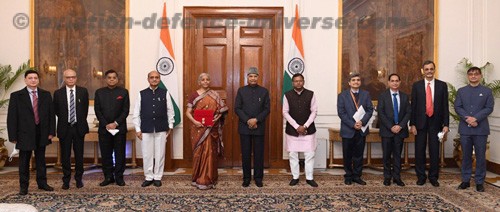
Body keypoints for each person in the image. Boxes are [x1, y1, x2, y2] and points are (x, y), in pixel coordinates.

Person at [7, 70, 56, 195]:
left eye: (35, 78)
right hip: (24, 134)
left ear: (38, 80)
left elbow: (51, 115)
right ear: (25, 80)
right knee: (24, 161)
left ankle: (42, 183)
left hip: (42, 132)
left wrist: (51, 132)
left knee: (41, 160)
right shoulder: (16, 96)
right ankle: (23, 186)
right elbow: (12, 117)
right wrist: (13, 136)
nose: (33, 80)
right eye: (30, 78)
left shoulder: (46, 95)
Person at [185, 73, 228, 190]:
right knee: (198, 153)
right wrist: (195, 122)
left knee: (209, 153)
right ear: (199, 82)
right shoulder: (194, 95)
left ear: (209, 81)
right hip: (197, 128)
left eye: (207, 79)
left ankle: (209, 179)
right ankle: (197, 178)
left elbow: (222, 110)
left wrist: (216, 119)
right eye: (203, 80)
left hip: (210, 128)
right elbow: (188, 112)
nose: (205, 81)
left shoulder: (215, 95)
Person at [410, 60, 449, 187]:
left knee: (434, 150)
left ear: (434, 70)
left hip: (436, 123)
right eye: (426, 69)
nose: (429, 71)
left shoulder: (442, 85)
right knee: (419, 150)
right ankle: (421, 176)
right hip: (420, 122)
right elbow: (413, 106)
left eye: (431, 69)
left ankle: (433, 177)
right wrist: (412, 124)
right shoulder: (416, 85)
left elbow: (445, 106)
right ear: (423, 71)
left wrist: (446, 124)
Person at [455, 67, 494, 192]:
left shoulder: (487, 91)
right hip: (465, 129)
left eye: (476, 74)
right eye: (471, 74)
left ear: (480, 76)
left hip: (481, 129)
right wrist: (468, 119)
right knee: (465, 156)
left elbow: (489, 108)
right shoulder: (461, 91)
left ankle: (479, 182)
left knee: (480, 156)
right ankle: (465, 180)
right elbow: (458, 107)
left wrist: (476, 118)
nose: (473, 76)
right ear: (468, 76)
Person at [133, 71, 174, 188]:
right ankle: (148, 176)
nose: (154, 79)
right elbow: (136, 112)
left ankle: (157, 177)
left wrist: (170, 126)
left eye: (157, 77)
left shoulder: (165, 93)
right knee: (147, 154)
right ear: (148, 79)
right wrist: (137, 129)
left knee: (160, 153)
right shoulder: (142, 94)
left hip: (161, 128)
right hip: (146, 128)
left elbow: (170, 110)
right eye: (152, 77)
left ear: (159, 79)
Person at [53, 69, 89, 190]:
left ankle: (79, 179)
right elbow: (57, 111)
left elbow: (84, 110)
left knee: (79, 155)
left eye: (73, 77)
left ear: (76, 78)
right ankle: (66, 180)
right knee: (65, 155)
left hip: (79, 128)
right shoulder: (58, 93)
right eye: (68, 77)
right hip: (65, 128)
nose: (71, 79)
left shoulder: (83, 92)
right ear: (64, 78)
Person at [235, 67, 270, 187]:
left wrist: (256, 120)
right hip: (244, 127)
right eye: (251, 76)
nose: (253, 78)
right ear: (247, 77)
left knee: (259, 154)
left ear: (258, 77)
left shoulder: (264, 91)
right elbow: (237, 108)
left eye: (255, 76)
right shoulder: (241, 91)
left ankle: (258, 178)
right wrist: (248, 120)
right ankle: (246, 178)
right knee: (245, 154)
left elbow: (267, 109)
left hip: (259, 127)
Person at [94, 69, 130, 187]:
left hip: (119, 129)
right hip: (105, 129)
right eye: (109, 77)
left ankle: (119, 177)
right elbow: (97, 111)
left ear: (117, 79)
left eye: (114, 77)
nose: (111, 79)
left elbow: (125, 110)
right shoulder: (99, 92)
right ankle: (108, 177)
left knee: (120, 154)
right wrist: (106, 124)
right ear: (105, 79)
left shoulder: (123, 92)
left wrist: (115, 123)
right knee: (106, 154)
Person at [337, 73, 374, 185]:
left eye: (358, 80)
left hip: (361, 130)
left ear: (360, 82)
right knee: (347, 155)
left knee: (359, 155)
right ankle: (348, 176)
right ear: (349, 83)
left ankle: (357, 176)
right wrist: (353, 124)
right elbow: (341, 113)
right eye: (353, 80)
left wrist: (362, 122)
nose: (356, 82)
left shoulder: (366, 94)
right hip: (348, 130)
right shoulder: (342, 95)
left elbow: (370, 109)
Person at [283, 73, 319, 187]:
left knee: (309, 154)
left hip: (308, 129)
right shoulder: (287, 95)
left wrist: (305, 126)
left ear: (303, 81)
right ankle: (295, 177)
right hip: (292, 130)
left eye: (300, 81)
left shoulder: (310, 94)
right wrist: (296, 126)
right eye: (296, 81)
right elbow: (285, 112)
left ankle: (309, 177)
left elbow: (314, 111)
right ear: (292, 83)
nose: (298, 83)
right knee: (293, 154)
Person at [377, 73, 410, 187]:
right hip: (387, 131)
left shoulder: (405, 96)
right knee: (386, 155)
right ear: (388, 83)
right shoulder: (382, 96)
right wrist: (391, 126)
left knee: (397, 155)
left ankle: (397, 177)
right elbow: (381, 113)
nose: (395, 83)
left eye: (397, 81)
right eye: (392, 81)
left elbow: (408, 113)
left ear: (399, 82)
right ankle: (387, 177)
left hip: (400, 131)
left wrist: (400, 126)